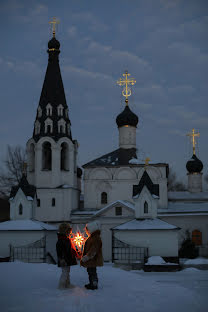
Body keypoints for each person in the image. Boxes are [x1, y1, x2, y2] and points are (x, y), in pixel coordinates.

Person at [80, 221, 103, 290]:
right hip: (91, 259)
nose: (87, 231)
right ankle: (92, 283)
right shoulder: (93, 236)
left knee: (92, 271)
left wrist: (87, 257)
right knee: (90, 271)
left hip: (93, 259)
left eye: (87, 229)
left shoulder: (95, 237)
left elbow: (94, 250)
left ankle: (93, 284)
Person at [56, 223, 77, 289]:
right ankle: (61, 285)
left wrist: (75, 252)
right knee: (65, 272)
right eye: (68, 232)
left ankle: (67, 284)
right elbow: (59, 251)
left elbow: (69, 249)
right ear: (64, 231)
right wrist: (62, 259)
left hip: (68, 259)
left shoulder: (66, 239)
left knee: (67, 271)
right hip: (64, 259)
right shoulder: (61, 240)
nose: (69, 233)